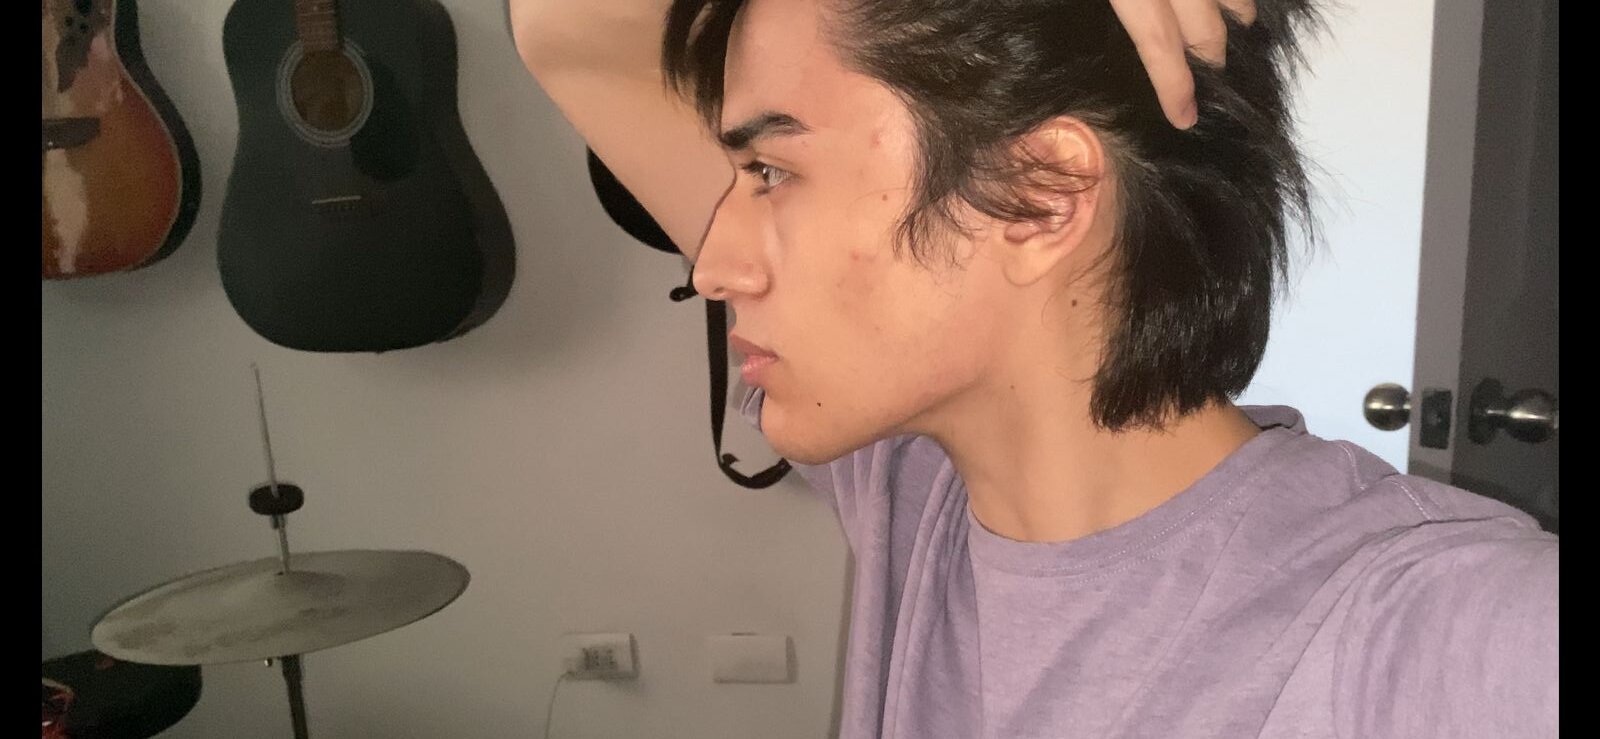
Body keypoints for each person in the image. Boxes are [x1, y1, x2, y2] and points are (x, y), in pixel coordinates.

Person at [513, 0, 1559, 735]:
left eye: (771, 171)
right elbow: (565, 26)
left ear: (1041, 197)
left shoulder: (1439, 629)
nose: (712, 265)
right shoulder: (918, 490)